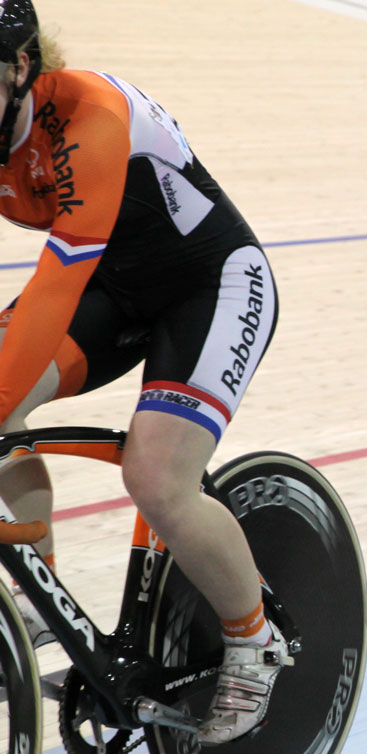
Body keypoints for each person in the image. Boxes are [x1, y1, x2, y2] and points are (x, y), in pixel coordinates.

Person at [0, 2, 289, 744]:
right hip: (114, 286)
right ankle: (35, 597)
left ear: (21, 68)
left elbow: (55, 290)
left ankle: (254, 639)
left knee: (157, 480)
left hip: (209, 283)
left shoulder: (86, 118)